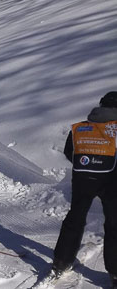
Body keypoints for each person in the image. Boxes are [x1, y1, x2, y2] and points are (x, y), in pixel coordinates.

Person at [51, 91, 117, 285]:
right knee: (114, 224)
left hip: (83, 179)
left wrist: (90, 165)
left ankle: (61, 261)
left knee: (75, 217)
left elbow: (69, 152)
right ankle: (115, 273)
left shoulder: (80, 128)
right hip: (111, 181)